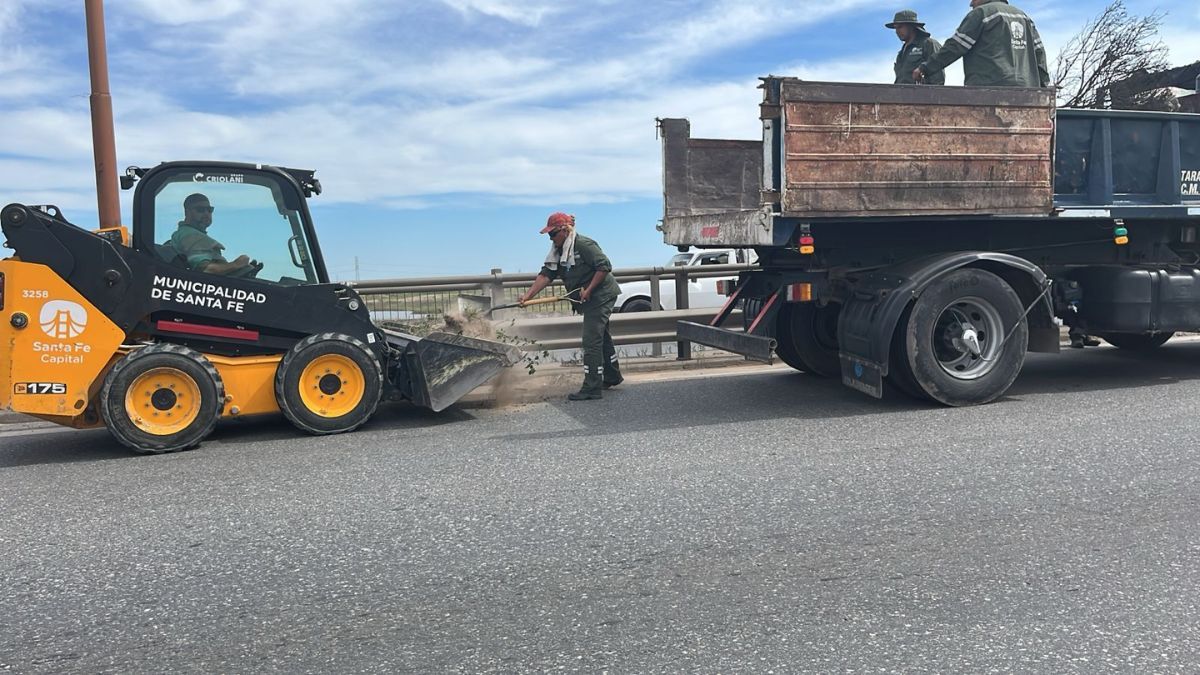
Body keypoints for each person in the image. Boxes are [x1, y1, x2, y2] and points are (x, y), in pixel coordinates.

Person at [519, 212, 623, 401]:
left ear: (564, 230)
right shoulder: (558, 252)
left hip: (601, 295)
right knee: (601, 336)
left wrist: (589, 289)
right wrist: (527, 296)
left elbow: (604, 266)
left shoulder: (583, 244)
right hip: (588, 297)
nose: (550, 238)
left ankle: (592, 387)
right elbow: (546, 275)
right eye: (549, 235)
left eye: (552, 234)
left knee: (591, 340)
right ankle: (611, 376)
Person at [913, 0, 1050, 88]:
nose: (971, 3)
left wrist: (925, 68)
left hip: (988, 90)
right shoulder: (1024, 17)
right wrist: (1042, 89)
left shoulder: (981, 14)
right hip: (1027, 92)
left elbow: (955, 47)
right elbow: (1040, 54)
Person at [170, 193, 260, 276]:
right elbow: (206, 270)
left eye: (209, 210)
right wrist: (236, 264)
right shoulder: (192, 235)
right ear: (187, 212)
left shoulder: (185, 234)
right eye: (200, 210)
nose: (206, 213)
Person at [887, 10, 944, 85]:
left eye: (900, 27)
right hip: (901, 95)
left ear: (911, 26)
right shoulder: (901, 53)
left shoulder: (929, 44)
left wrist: (932, 95)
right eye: (895, 28)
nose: (897, 31)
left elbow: (938, 77)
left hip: (922, 95)